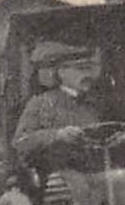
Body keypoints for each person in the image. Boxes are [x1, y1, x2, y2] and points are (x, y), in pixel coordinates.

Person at [11, 40, 107, 170]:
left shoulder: (93, 103)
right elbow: (20, 142)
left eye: (90, 69)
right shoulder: (41, 103)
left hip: (95, 175)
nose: (87, 75)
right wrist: (58, 135)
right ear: (61, 72)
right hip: (57, 178)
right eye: (81, 69)